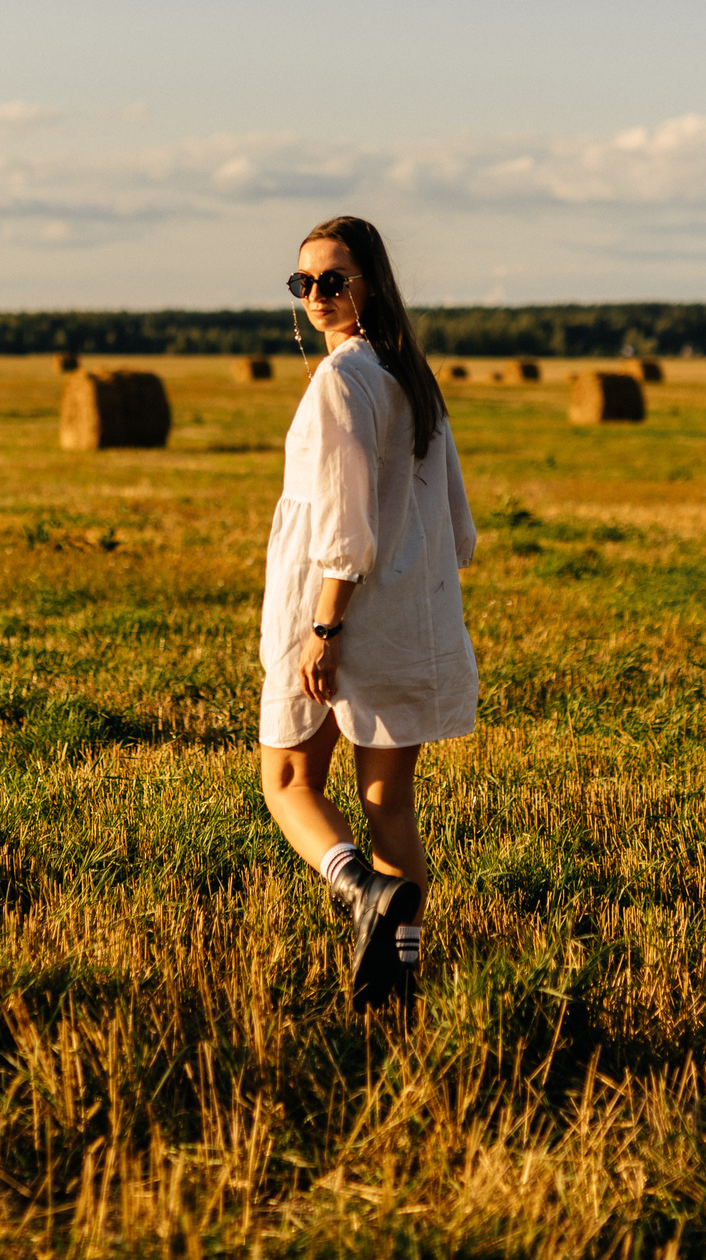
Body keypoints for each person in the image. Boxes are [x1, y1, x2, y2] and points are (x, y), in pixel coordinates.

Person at [258, 215, 479, 1008]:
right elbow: (457, 525)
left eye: (333, 279)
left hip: (337, 608)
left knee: (286, 780)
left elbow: (343, 527)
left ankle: (359, 894)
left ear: (370, 283)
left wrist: (324, 628)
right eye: (304, 282)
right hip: (409, 613)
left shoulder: (341, 379)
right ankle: (397, 979)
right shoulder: (409, 372)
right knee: (389, 805)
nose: (317, 295)